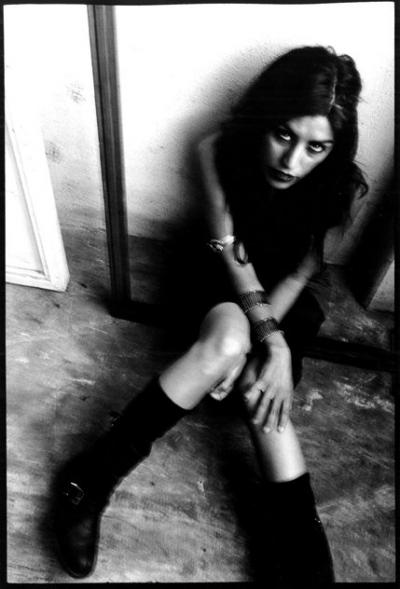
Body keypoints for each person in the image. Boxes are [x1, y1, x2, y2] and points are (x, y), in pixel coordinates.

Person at [54, 45, 368, 582]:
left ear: (334, 148)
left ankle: (300, 553)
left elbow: (298, 275)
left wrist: (267, 344)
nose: (293, 161)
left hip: (283, 297)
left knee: (257, 384)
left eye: (316, 147)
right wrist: (267, 341)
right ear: (266, 116)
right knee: (226, 343)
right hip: (219, 278)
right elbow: (230, 257)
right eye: (284, 135)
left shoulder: (343, 188)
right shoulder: (218, 150)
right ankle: (91, 478)